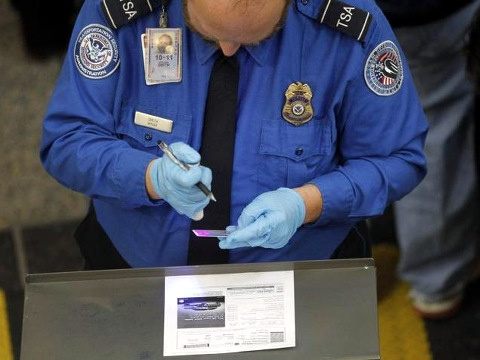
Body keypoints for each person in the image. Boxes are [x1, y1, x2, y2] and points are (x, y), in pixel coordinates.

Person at [40, 0, 427, 270]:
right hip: (133, 264)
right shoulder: (121, 11)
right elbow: (67, 139)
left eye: (255, 38)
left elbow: (397, 159)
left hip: (294, 274)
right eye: (209, 33)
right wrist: (150, 177)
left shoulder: (351, 27)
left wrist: (306, 203)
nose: (228, 48)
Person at [374, 0, 480, 319]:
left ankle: (336, 274)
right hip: (424, 15)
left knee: (337, 122)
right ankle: (435, 279)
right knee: (432, 127)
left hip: (327, 12)